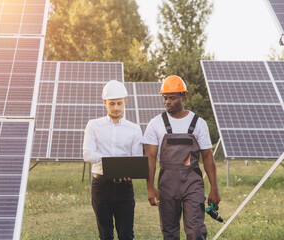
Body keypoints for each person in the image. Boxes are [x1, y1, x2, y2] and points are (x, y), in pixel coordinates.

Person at [142, 75, 221, 240]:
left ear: (184, 96)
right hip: (167, 183)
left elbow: (207, 157)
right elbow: (149, 157)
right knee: (169, 232)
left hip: (192, 182)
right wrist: (150, 187)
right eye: (165, 98)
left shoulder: (198, 123)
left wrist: (214, 188)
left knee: (196, 232)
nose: (167, 102)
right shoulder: (155, 124)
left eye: (172, 98)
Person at [83, 80, 143, 240]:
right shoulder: (93, 125)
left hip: (124, 188)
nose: (116, 108)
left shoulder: (134, 129)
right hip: (101, 186)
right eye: (111, 104)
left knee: (127, 235)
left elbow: (136, 159)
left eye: (119, 103)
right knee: (105, 234)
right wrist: (114, 164)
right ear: (105, 103)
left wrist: (123, 168)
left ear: (125, 101)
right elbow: (87, 154)